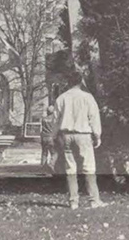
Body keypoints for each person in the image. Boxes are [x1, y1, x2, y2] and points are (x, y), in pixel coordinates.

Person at [52, 69, 106, 210]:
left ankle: (73, 202)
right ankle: (94, 200)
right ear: (80, 81)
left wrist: (53, 136)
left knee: (70, 168)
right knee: (88, 167)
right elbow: (94, 118)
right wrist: (97, 135)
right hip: (83, 135)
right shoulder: (88, 98)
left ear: (68, 82)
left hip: (66, 135)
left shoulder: (61, 98)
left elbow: (55, 120)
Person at [41, 105, 57, 171]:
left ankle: (43, 167)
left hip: (44, 137)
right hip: (51, 137)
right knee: (54, 153)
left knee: (44, 153)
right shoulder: (54, 118)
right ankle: (51, 164)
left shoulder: (43, 119)